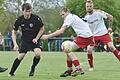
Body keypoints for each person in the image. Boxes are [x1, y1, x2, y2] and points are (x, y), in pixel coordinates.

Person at [42, 7, 93, 77]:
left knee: (66, 47)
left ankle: (78, 68)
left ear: (67, 12)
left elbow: (61, 31)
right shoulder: (72, 16)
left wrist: (48, 36)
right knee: (67, 48)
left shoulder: (69, 17)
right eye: (61, 15)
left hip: (84, 37)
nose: (62, 17)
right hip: (87, 36)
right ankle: (69, 70)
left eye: (63, 14)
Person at [8, 3, 44, 76]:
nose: (28, 13)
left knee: (38, 54)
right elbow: (14, 32)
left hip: (35, 39)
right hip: (25, 40)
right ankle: (11, 73)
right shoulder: (19, 20)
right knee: (21, 56)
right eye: (26, 11)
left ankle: (33, 68)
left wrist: (37, 38)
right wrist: (15, 44)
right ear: (22, 11)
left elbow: (42, 28)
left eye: (29, 11)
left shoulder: (36, 18)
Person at [84, 1, 120, 71]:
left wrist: (110, 27)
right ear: (86, 7)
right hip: (94, 36)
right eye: (87, 6)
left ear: (93, 6)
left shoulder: (98, 12)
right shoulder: (86, 17)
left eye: (90, 6)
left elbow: (111, 17)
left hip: (103, 33)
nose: (89, 8)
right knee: (89, 50)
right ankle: (91, 67)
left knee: (111, 47)